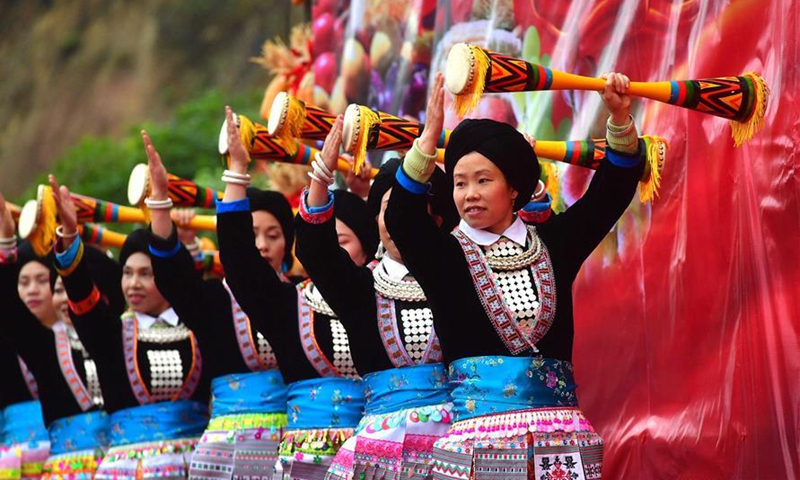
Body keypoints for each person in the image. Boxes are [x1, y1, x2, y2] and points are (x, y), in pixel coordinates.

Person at [384, 72, 645, 480]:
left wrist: (618, 117)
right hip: (475, 443)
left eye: (483, 181)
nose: (469, 194)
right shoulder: (444, 257)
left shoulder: (554, 244)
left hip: (559, 442)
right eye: (459, 183)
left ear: (513, 189)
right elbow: (401, 219)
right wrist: (425, 142)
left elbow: (610, 194)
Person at [295, 117, 458, 480]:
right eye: (389, 209)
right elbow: (316, 250)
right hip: (381, 452)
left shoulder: (458, 275)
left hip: (458, 446)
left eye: (416, 209)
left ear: (439, 218)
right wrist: (321, 178)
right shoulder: (358, 288)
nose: (400, 221)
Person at [216, 107, 365, 480]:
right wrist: (237, 170)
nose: (331, 254)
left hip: (380, 451)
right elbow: (238, 260)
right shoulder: (288, 305)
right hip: (307, 463)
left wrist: (361, 193)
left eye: (342, 242)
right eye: (323, 244)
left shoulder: (382, 294)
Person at [141, 131, 289, 480]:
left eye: (273, 235)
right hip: (228, 450)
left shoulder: (303, 298)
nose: (262, 246)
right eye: (252, 234)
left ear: (289, 243)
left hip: (296, 443)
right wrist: (161, 201)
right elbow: (172, 276)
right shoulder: (212, 301)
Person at [49, 177, 211, 480]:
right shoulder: (111, 334)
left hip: (199, 464)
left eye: (146, 274)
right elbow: (83, 298)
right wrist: (71, 237)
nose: (133, 284)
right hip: (130, 469)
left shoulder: (200, 325)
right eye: (127, 273)